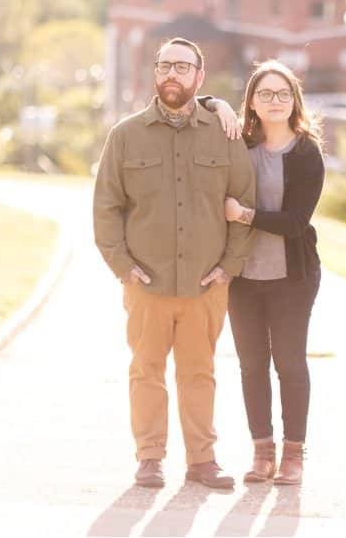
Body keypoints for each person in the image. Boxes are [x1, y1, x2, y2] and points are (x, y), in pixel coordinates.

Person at [93, 37, 257, 490]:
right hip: (146, 283)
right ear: (155, 72)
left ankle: (203, 461)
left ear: (199, 78)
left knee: (199, 373)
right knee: (146, 371)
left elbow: (245, 200)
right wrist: (123, 267)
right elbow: (106, 207)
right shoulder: (125, 135)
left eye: (183, 67)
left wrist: (229, 267)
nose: (172, 74)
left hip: (208, 284)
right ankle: (149, 458)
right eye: (165, 65)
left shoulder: (224, 133)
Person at [200, 59, 324, 485]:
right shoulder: (239, 143)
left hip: (293, 277)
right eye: (265, 93)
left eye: (283, 93)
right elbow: (189, 104)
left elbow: (296, 223)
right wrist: (217, 104)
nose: (275, 101)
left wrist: (244, 215)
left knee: (289, 363)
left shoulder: (307, 152)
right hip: (244, 277)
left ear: (295, 101)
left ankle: (294, 455)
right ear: (251, 100)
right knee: (252, 365)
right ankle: (262, 453)